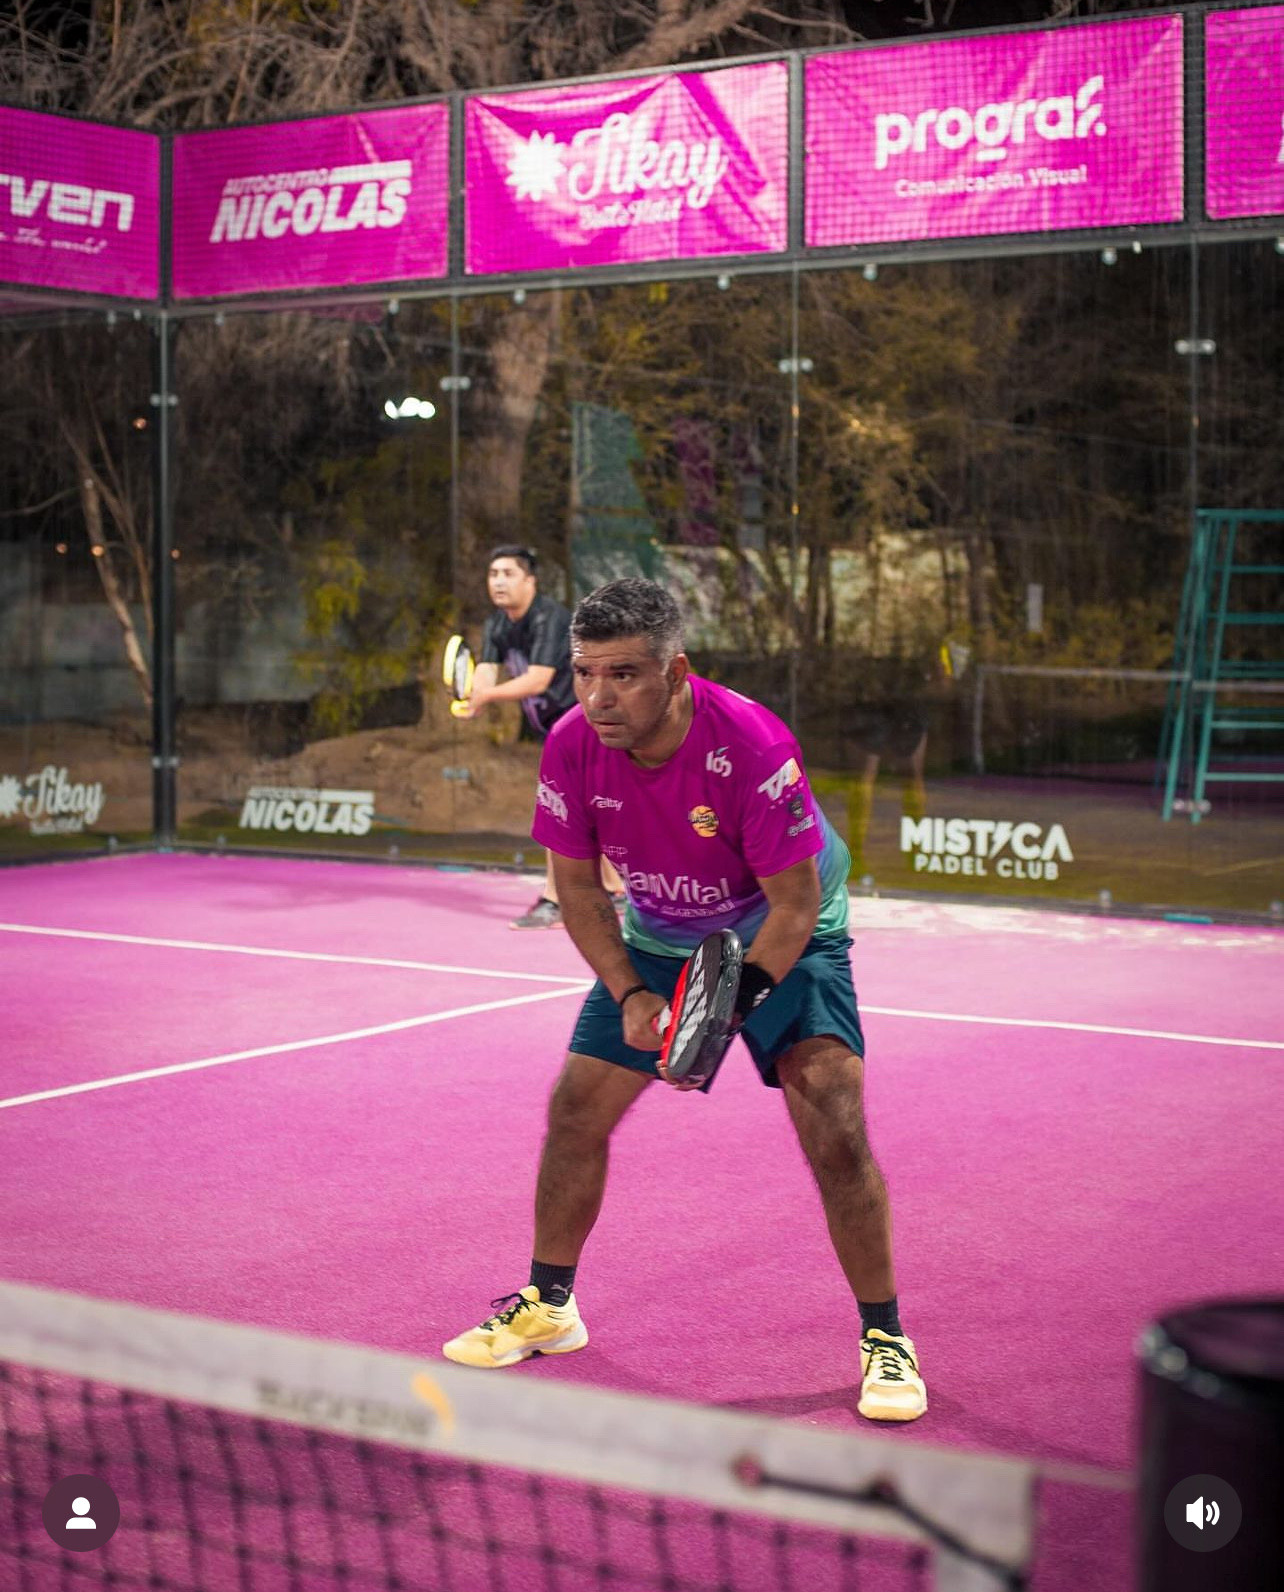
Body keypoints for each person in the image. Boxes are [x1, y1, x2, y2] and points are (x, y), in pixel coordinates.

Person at [443, 578, 927, 1424]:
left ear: (676, 673)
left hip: (785, 931)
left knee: (835, 1126)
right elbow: (578, 890)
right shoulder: (571, 744)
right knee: (575, 1111)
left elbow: (795, 907)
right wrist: (631, 993)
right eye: (586, 672)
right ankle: (550, 1306)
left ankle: (885, 1337)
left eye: (624, 674)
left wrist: (717, 1016)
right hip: (661, 936)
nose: (599, 696)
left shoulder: (751, 744)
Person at [459, 544, 620, 928]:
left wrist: (487, 696)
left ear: (529, 581)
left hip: (586, 723)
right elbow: (486, 669)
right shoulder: (497, 625)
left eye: (508, 574)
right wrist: (475, 696)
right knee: (588, 810)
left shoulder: (550, 618)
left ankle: (554, 900)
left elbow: (538, 679)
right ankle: (616, 893)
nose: (499, 582)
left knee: (557, 806)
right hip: (553, 728)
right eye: (493, 574)